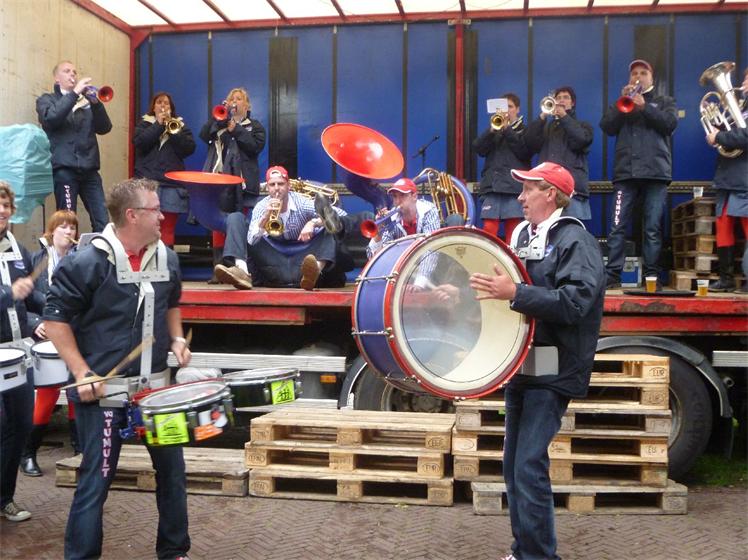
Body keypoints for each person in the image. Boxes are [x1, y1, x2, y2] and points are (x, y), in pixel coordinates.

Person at [43, 178, 192, 560]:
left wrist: (177, 339)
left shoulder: (167, 258)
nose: (162, 216)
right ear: (132, 215)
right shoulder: (87, 262)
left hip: (156, 391)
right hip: (104, 392)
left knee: (173, 473)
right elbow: (56, 319)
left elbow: (171, 302)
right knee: (96, 479)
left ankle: (174, 551)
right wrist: (81, 371)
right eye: (155, 209)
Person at [469, 162, 605, 560]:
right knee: (514, 465)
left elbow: (575, 303)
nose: (520, 197)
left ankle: (539, 556)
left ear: (551, 193)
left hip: (554, 364)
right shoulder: (523, 236)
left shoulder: (575, 240)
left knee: (528, 463)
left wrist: (515, 292)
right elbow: (507, 295)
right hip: (525, 363)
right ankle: (524, 550)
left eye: (529, 189)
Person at [601, 59, 678, 289]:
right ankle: (612, 274)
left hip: (656, 173)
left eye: (643, 73)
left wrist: (644, 106)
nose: (638, 77)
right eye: (634, 73)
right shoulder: (622, 102)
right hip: (626, 174)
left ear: (651, 78)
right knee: (617, 225)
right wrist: (620, 104)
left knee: (652, 227)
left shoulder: (665, 101)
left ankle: (651, 276)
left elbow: (670, 124)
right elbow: (606, 126)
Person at [214, 165, 353, 291]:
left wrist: (314, 223)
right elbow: (251, 240)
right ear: (267, 188)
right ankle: (242, 272)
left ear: (288, 186)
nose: (276, 188)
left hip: (304, 258)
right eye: (272, 184)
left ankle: (315, 270)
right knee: (235, 217)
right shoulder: (261, 207)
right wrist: (265, 218)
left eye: (280, 184)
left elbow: (341, 215)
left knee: (331, 225)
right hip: (272, 261)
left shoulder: (301, 202)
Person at [19, 210, 80, 477]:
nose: (68, 232)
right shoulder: (35, 260)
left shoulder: (82, 259)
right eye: (63, 227)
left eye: (72, 228)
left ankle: (79, 451)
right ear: (51, 231)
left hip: (74, 333)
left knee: (77, 391)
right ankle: (27, 453)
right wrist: (35, 323)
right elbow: (21, 302)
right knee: (47, 395)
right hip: (46, 336)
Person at [0, 181, 40, 522]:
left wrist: (54, 311)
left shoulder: (18, 249)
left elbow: (31, 295)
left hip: (18, 354)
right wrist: (9, 293)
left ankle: (4, 498)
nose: (2, 211)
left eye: (5, 205)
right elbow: (13, 293)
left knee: (20, 424)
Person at [36, 61, 112, 232]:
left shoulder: (86, 103)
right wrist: (75, 93)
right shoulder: (46, 100)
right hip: (64, 172)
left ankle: (100, 250)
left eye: (75, 72)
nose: (72, 74)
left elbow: (104, 128)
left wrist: (96, 104)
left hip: (90, 172)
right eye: (67, 71)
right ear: (57, 78)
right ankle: (68, 250)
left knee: (103, 222)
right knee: (67, 223)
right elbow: (51, 118)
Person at [200, 87, 266, 279]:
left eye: (239, 99)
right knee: (218, 224)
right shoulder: (220, 123)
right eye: (231, 99)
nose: (234, 102)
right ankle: (219, 269)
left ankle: (240, 266)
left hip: (243, 183)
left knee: (239, 223)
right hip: (220, 182)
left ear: (247, 105)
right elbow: (204, 136)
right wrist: (217, 118)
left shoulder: (255, 126)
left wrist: (235, 129)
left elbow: (254, 147)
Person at [133, 91, 196, 247]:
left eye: (166, 103)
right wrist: (158, 125)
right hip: (147, 183)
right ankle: (146, 260)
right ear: (153, 107)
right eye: (159, 102)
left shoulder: (180, 126)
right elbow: (139, 143)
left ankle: (166, 261)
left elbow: (188, 149)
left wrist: (172, 130)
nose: (163, 105)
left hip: (171, 184)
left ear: (171, 108)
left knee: (167, 228)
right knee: (145, 227)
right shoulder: (144, 124)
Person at [705, 68, 748, 293]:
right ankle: (726, 278)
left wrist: (719, 136)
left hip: (745, 178)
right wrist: (716, 126)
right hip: (727, 177)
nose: (744, 82)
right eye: (745, 78)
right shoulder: (740, 108)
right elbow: (730, 134)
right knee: (723, 226)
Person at [524, 86, 594, 221]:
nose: (561, 100)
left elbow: (581, 140)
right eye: (558, 98)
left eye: (566, 97)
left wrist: (564, 116)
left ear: (572, 103)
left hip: (573, 190)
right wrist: (543, 116)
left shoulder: (583, 125)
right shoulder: (546, 127)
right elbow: (529, 142)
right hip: (547, 189)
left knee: (570, 227)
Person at [472, 93, 532, 241]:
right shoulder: (494, 130)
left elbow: (524, 152)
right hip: (492, 187)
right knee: (489, 228)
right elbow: (478, 148)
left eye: (510, 107)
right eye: (504, 107)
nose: (507, 111)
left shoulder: (524, 130)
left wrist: (507, 130)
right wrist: (491, 131)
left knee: (513, 231)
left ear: (517, 109)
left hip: (513, 188)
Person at [366, 178, 441, 257]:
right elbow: (374, 257)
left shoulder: (428, 210)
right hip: (402, 263)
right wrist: (378, 235)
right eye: (395, 196)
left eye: (403, 195)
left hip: (423, 261)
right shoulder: (392, 218)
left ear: (414, 196)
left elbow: (431, 249)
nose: (398, 201)